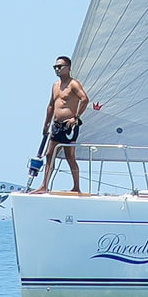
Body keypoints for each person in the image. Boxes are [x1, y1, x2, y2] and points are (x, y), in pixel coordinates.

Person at [34, 55, 89, 194]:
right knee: (49, 154)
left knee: (70, 157)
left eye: (60, 67)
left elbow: (85, 99)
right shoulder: (55, 85)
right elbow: (51, 105)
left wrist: (75, 117)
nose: (57, 69)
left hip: (69, 126)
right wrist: (46, 123)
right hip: (56, 125)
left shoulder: (73, 84)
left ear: (68, 68)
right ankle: (44, 185)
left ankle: (76, 187)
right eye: (55, 67)